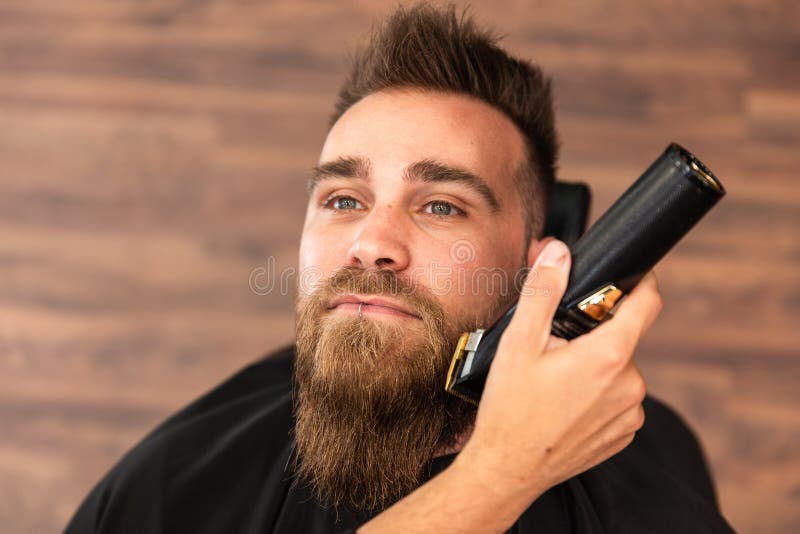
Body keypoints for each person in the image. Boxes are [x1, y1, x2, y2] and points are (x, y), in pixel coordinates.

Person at [66, 3, 735, 533]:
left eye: (441, 206)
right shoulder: (169, 491)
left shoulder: (653, 472)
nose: (370, 241)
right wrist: (500, 475)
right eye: (343, 199)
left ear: (539, 267)